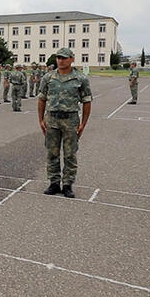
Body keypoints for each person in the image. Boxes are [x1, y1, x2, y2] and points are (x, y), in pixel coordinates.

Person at [38, 48, 92, 199]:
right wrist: (41, 120)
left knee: (70, 154)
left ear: (72, 59)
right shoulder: (48, 77)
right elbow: (42, 99)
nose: (61, 60)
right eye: (59, 58)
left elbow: (87, 101)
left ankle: (67, 184)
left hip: (70, 120)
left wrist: (83, 124)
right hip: (52, 120)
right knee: (52, 153)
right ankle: (54, 182)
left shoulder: (80, 79)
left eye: (64, 58)